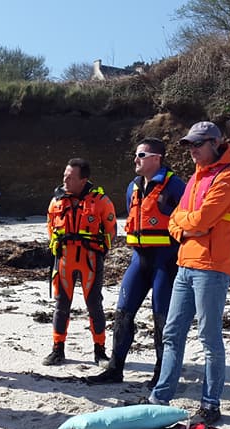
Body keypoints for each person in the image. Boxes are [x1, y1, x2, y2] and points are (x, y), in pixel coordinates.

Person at [146, 121, 230, 425]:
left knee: (209, 337)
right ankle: (160, 397)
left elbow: (202, 219)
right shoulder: (196, 178)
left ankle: (211, 404)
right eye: (189, 145)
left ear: (216, 143)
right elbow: (176, 222)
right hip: (186, 264)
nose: (192, 151)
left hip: (212, 268)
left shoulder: (229, 178)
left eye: (198, 145)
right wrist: (188, 227)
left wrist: (187, 225)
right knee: (172, 333)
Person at [86, 138, 185, 386]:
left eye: (141, 155)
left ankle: (162, 372)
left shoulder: (175, 186)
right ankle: (115, 369)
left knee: (162, 318)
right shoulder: (133, 187)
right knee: (123, 313)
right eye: (136, 155)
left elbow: (189, 222)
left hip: (166, 262)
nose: (136, 159)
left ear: (156, 158)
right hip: (138, 261)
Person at [43, 158, 117, 366]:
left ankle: (100, 351)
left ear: (83, 180)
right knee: (61, 305)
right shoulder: (56, 201)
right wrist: (56, 246)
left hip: (90, 260)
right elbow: (50, 227)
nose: (65, 180)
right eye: (64, 176)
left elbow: (111, 230)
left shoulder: (101, 201)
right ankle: (57, 349)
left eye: (70, 177)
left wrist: (101, 252)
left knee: (94, 305)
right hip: (64, 260)